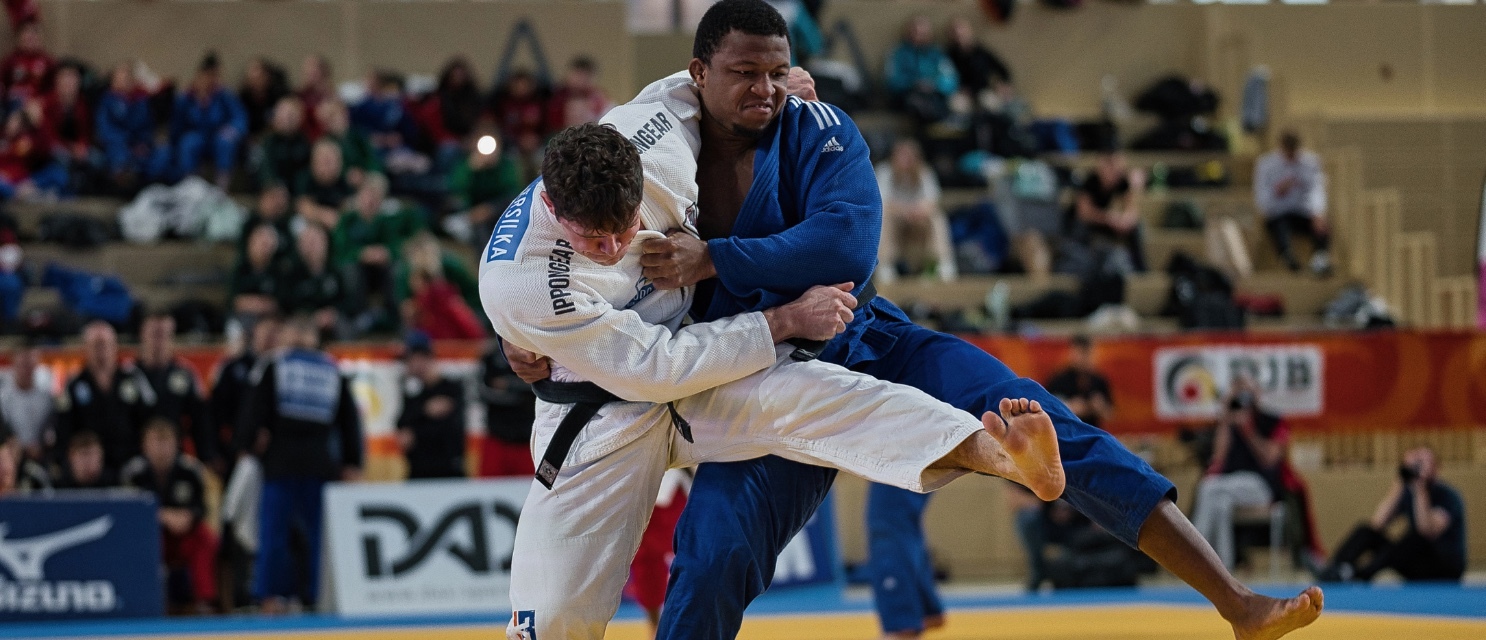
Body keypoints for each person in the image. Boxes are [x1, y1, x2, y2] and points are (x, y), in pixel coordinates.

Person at [576, 3, 1321, 638]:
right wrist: (530, 341)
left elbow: (848, 245)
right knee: (711, 554)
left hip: (866, 337)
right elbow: (569, 255)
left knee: (1050, 427)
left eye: (777, 71)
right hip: (758, 381)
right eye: (743, 73)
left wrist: (716, 260)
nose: (765, 90)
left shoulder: (818, 126)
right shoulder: (652, 145)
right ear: (698, 73)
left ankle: (1237, 602)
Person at [484, 123, 1065, 640]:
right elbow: (658, 367)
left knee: (820, 396)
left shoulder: (651, 138)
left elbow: (691, 88)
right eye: (594, 239)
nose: (614, 249)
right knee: (556, 614)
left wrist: (785, 84)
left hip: (697, 383)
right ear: (555, 211)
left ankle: (996, 452)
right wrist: (785, 319)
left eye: (624, 227)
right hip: (600, 420)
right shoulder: (523, 281)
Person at [237, 314, 362, 613]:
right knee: (316, 536)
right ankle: (314, 596)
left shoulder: (275, 364)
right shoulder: (331, 369)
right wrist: (351, 461)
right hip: (319, 462)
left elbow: (255, 409)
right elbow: (349, 421)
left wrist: (244, 445)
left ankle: (269, 596)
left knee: (274, 534)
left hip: (281, 461)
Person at [1315, 447, 1465, 583]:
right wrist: (1400, 482)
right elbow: (1378, 523)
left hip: (1444, 568)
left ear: (1436, 467)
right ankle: (1336, 569)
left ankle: (1359, 575)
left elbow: (1426, 530)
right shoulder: (1407, 492)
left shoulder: (1448, 496)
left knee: (1413, 539)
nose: (1417, 468)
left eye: (1422, 463)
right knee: (1365, 531)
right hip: (1414, 562)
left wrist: (1420, 490)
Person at [121, 417, 219, 613]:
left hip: (183, 535)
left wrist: (189, 517)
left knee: (205, 539)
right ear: (145, 445)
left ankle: (205, 601)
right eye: (156, 442)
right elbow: (127, 512)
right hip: (150, 537)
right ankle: (144, 602)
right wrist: (162, 516)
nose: (161, 449)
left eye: (166, 442)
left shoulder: (190, 471)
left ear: (177, 444)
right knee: (135, 543)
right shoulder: (134, 473)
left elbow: (200, 507)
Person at [1193, 383, 1287, 570]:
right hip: (1231, 487)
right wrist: (1226, 418)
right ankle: (1221, 568)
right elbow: (1218, 458)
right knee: (1220, 505)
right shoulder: (1230, 423)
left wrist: (1248, 429)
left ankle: (1193, 553)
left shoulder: (1271, 421)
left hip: (1260, 487)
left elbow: (1270, 458)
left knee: (1208, 487)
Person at [53, 320, 157, 474]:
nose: (101, 350)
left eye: (105, 344)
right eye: (96, 344)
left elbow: (150, 422)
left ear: (115, 346)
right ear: (86, 348)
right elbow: (63, 432)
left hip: (130, 464)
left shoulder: (133, 380)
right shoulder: (74, 385)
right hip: (88, 469)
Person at [135, 311, 218, 471]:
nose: (158, 341)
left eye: (163, 334)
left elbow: (201, 422)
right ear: (142, 334)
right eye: (154, 334)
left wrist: (207, 456)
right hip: (136, 458)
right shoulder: (128, 374)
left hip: (175, 459)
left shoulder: (185, 374)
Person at [874, 139, 955, 284]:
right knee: (884, 217)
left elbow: (932, 201)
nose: (905, 160)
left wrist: (919, 211)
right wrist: (905, 211)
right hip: (895, 220)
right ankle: (885, 266)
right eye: (902, 156)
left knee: (936, 217)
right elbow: (880, 202)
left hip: (917, 221)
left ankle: (941, 264)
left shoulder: (925, 172)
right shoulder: (884, 172)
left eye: (909, 156)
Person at [1254, 131, 1330, 275]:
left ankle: (1320, 259)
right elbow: (1262, 199)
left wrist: (1317, 212)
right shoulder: (1266, 164)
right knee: (1279, 225)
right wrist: (1278, 191)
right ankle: (1287, 256)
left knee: (1322, 225)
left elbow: (1317, 190)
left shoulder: (1310, 162)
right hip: (1279, 213)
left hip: (1304, 212)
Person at [395, 331, 466, 479]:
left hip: (447, 471)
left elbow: (447, 430)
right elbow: (402, 426)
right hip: (418, 471)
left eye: (412, 359)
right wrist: (424, 411)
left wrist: (416, 430)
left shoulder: (451, 389)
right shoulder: (413, 392)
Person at [170, 52, 248, 188]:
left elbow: (239, 117)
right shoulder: (187, 98)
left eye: (215, 76)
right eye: (208, 75)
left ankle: (222, 185)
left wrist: (233, 130)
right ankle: (189, 184)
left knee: (225, 141)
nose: (211, 80)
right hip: (198, 137)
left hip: (218, 137)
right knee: (188, 143)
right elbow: (177, 125)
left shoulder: (224, 95)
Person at [1068, 151, 1147, 273]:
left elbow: (1131, 210)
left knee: (1136, 228)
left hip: (1109, 222)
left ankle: (1140, 268)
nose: (1115, 172)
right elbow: (1083, 213)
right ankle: (1080, 267)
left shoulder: (1122, 183)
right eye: (1112, 167)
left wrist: (1123, 220)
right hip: (1091, 222)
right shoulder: (1091, 182)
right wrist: (1107, 218)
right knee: (1079, 228)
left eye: (1118, 168)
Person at [96, 62, 167, 191]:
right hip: (119, 147)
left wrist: (142, 143)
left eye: (127, 78)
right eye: (120, 78)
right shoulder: (107, 102)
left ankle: (153, 184)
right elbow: (105, 130)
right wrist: (127, 143)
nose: (124, 82)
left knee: (162, 152)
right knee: (117, 153)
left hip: (139, 148)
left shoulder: (141, 101)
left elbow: (146, 127)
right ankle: (124, 181)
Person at [279, 222, 350, 342]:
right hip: (301, 319)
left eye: (316, 240)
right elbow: (286, 303)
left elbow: (348, 301)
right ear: (299, 245)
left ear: (326, 243)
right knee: (298, 332)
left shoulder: (337, 272)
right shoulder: (290, 271)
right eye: (307, 241)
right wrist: (312, 316)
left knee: (343, 324)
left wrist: (331, 312)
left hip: (332, 318)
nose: (312, 245)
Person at [475, 341, 535, 478]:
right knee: (487, 490)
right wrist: (521, 396)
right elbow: (482, 392)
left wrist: (507, 385)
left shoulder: (534, 351)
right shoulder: (490, 356)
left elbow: (538, 388)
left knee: (533, 490)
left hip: (527, 440)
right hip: (497, 438)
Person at [885, 15, 958, 126]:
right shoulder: (898, 54)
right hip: (906, 94)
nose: (918, 36)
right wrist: (913, 83)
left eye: (923, 33)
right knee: (915, 102)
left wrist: (934, 85)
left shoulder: (938, 54)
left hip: (934, 94)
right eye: (915, 32)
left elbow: (951, 79)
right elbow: (890, 80)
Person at [0, 338, 52, 463]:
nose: (27, 370)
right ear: (14, 363)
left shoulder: (46, 397)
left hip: (40, 455)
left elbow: (49, 431)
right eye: (23, 365)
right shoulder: (3, 397)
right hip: (11, 455)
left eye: (30, 365)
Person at [1044, 335, 1112, 429]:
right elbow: (1047, 409)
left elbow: (1110, 414)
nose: (1083, 359)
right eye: (1080, 354)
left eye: (1087, 354)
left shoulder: (1099, 380)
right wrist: (1069, 407)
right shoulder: (1059, 380)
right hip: (1067, 433)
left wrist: (1100, 408)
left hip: (1093, 433)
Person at [316, 98, 380, 187]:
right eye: (329, 119)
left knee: (377, 180)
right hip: (340, 181)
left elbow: (372, 158)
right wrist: (346, 174)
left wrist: (365, 173)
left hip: (365, 176)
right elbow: (325, 168)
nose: (335, 121)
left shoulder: (358, 134)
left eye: (335, 115)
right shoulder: (326, 141)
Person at [230, 223, 289, 319]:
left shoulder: (278, 271)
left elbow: (278, 304)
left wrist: (249, 302)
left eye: (267, 244)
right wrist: (259, 304)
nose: (263, 247)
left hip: (271, 320)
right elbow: (233, 300)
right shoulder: (240, 268)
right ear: (250, 243)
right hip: (240, 318)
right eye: (260, 242)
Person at [294, 139, 354, 229]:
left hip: (339, 220)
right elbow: (303, 206)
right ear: (313, 162)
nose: (327, 166)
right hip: (314, 222)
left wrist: (339, 217)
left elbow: (350, 205)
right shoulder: (304, 178)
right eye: (324, 161)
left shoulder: (346, 178)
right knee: (298, 223)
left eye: (331, 161)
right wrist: (324, 216)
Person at [255, 96, 310, 191]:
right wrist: (273, 186)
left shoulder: (304, 141)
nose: (284, 119)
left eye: (290, 115)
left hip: (298, 191)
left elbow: (307, 170)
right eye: (280, 114)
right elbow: (265, 170)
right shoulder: (267, 141)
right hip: (273, 191)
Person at [544, 56, 612, 134]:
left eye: (584, 77)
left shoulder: (600, 100)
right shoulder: (555, 97)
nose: (580, 81)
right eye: (577, 76)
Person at [0, 20, 53, 105]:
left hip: (38, 107)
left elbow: (53, 91)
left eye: (35, 32)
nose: (31, 36)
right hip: (12, 106)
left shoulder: (48, 62)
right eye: (26, 31)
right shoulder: (9, 62)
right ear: (19, 36)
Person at [238, 57, 290, 139]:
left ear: (267, 77)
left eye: (258, 78)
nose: (255, 82)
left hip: (275, 137)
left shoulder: (278, 95)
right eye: (252, 79)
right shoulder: (242, 98)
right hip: (250, 138)